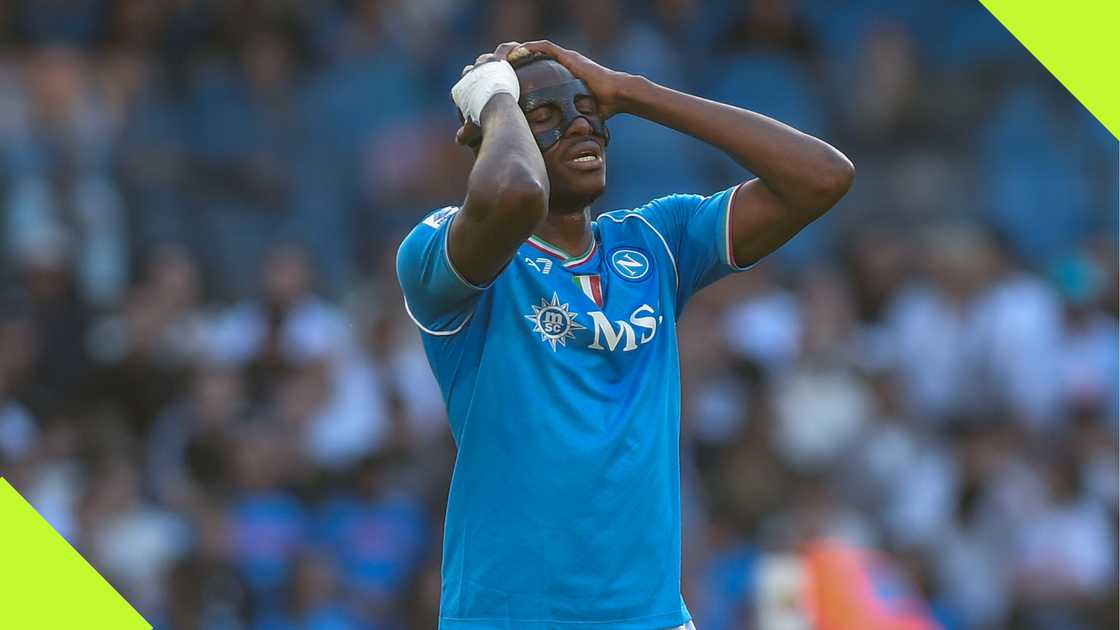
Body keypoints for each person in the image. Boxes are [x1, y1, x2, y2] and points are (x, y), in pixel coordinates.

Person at [395, 39, 854, 630]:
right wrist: (492, 100)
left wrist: (633, 92)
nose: (581, 124)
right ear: (490, 135)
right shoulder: (443, 254)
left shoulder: (656, 242)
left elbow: (821, 177)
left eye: (586, 108)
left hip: (651, 618)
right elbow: (513, 194)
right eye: (544, 116)